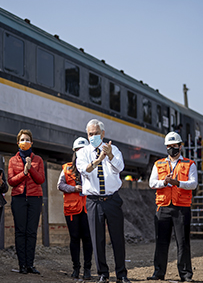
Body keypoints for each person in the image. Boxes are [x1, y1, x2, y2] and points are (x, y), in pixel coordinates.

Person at [76, 119, 131, 283]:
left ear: (103, 134)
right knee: (97, 238)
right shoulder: (82, 152)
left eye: (96, 133)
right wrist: (99, 159)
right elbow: (84, 169)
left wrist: (110, 155)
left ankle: (121, 274)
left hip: (112, 199)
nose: (93, 137)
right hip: (93, 201)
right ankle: (103, 274)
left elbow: (119, 167)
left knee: (117, 238)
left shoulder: (114, 149)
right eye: (90, 134)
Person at [147, 131, 197, 282]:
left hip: (182, 208)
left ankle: (186, 274)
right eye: (169, 146)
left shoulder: (190, 164)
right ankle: (158, 273)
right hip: (163, 207)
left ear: (180, 146)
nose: (171, 149)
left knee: (183, 242)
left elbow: (193, 184)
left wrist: (178, 183)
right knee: (161, 241)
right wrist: (164, 182)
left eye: (174, 146)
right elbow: (151, 183)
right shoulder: (159, 164)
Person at [7, 129, 45, 275]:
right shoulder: (12, 160)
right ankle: (22, 265)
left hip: (35, 199)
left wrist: (30, 169)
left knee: (31, 232)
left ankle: (30, 264)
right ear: (18, 143)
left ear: (32, 143)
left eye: (27, 139)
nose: (25, 142)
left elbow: (40, 180)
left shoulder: (38, 160)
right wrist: (24, 172)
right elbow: (11, 181)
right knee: (20, 232)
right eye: (22, 139)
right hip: (19, 199)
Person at [57, 137, 92, 280]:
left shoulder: (92, 167)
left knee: (88, 239)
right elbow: (60, 185)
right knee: (74, 238)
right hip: (72, 210)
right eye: (78, 150)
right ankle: (76, 268)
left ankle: (88, 269)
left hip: (88, 209)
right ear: (74, 152)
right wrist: (73, 188)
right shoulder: (67, 168)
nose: (80, 152)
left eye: (83, 150)